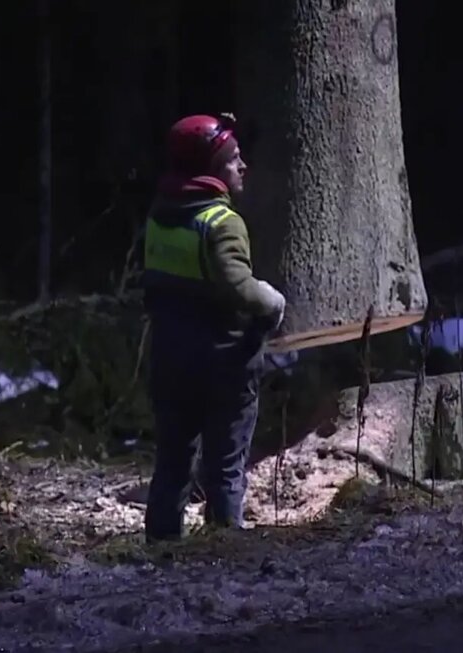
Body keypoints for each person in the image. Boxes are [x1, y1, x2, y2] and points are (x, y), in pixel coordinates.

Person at [140, 112, 286, 543]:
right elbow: (238, 287)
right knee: (225, 464)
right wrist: (272, 301)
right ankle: (224, 548)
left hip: (169, 358)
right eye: (233, 159)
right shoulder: (222, 223)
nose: (242, 166)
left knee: (173, 462)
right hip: (224, 362)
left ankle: (161, 548)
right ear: (210, 169)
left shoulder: (160, 216)